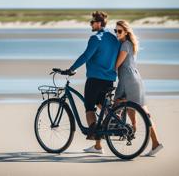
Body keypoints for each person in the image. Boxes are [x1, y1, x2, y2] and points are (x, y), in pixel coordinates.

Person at [67, 11, 121, 154]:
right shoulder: (113, 38)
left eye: (92, 22)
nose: (90, 24)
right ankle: (98, 146)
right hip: (110, 79)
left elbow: (86, 56)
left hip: (95, 80)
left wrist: (71, 69)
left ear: (98, 23)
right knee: (102, 106)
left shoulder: (95, 38)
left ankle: (93, 132)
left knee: (89, 107)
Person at [114, 20, 163, 156]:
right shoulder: (127, 43)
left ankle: (154, 142)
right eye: (115, 31)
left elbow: (117, 64)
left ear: (126, 32)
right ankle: (146, 138)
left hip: (128, 81)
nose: (117, 33)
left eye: (119, 31)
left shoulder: (125, 45)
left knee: (119, 104)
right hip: (133, 80)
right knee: (134, 110)